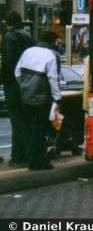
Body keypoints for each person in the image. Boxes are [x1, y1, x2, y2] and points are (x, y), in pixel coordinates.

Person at [15, 30, 62, 171]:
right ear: (53, 41)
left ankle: (32, 159)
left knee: (30, 129)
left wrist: (24, 87)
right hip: (42, 98)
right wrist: (57, 97)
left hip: (26, 96)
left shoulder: (28, 51)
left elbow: (17, 72)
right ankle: (41, 161)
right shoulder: (51, 55)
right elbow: (53, 78)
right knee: (41, 130)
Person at [0, 11, 36, 167]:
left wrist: (3, 80)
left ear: (7, 23)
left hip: (14, 84)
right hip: (28, 83)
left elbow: (8, 63)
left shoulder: (10, 36)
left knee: (18, 121)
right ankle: (18, 155)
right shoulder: (28, 36)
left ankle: (29, 155)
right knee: (22, 120)